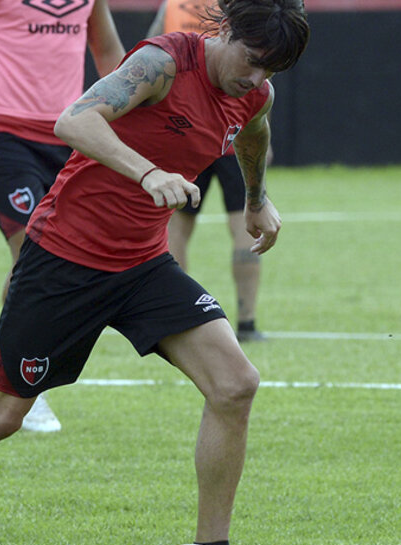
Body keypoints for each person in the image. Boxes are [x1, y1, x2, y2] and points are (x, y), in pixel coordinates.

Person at [0, 0, 309, 545]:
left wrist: (258, 198)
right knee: (0, 417)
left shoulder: (252, 94)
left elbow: (253, 134)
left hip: (143, 265)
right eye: (253, 61)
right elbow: (74, 121)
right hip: (64, 261)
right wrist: (146, 170)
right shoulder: (160, 63)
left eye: (271, 72)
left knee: (236, 382)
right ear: (228, 32)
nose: (256, 78)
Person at [0, 0, 125, 432]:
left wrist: (126, 124)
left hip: (70, 131)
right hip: (2, 131)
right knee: (32, 251)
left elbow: (110, 53)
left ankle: (24, 381)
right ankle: (24, 388)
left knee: (54, 257)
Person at [148, 0, 268, 343]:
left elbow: (150, 47)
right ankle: (247, 321)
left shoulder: (173, 5)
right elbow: (258, 77)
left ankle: (170, 315)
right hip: (231, 131)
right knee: (243, 222)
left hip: (185, 131)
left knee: (177, 226)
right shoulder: (246, 10)